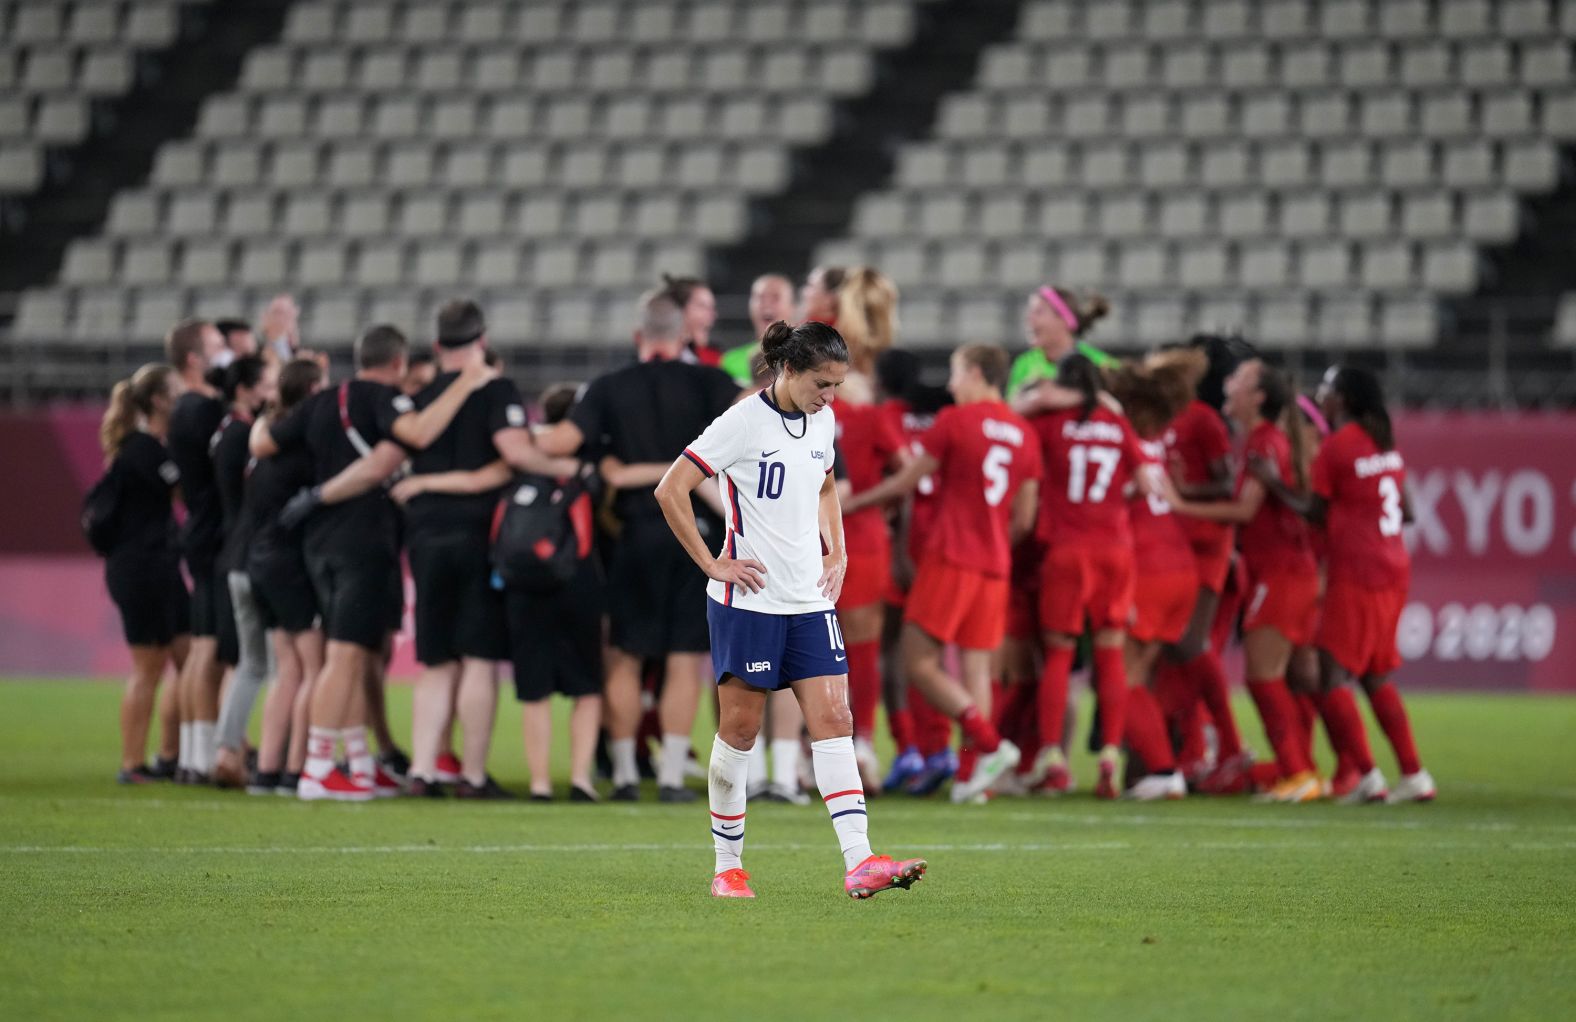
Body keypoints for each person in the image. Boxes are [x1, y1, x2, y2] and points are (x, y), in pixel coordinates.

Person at [654, 319, 925, 899]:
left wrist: (840, 550)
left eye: (837, 386)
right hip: (749, 601)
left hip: (808, 598)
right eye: (822, 384)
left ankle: (861, 861)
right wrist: (711, 563)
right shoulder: (742, 421)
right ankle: (728, 867)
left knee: (836, 721)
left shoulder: (823, 420)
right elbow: (670, 489)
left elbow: (827, 486)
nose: (830, 398)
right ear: (790, 370)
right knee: (740, 730)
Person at [251, 324, 494, 800]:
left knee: (361, 656)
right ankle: (319, 768)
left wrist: (262, 415)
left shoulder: (322, 402)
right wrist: (466, 381)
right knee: (344, 657)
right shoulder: (384, 398)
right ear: (399, 364)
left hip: (319, 542)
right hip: (360, 541)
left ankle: (359, 763)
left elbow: (263, 443)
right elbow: (419, 433)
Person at [535, 291, 739, 801]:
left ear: (637, 337)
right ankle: (671, 776)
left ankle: (625, 773)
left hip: (632, 535)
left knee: (624, 656)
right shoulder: (712, 383)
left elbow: (559, 443)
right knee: (683, 657)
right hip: (696, 534)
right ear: (684, 335)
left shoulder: (607, 387)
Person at [393, 299, 579, 799]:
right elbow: (515, 452)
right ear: (482, 339)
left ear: (436, 346)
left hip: (425, 532)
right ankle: (472, 775)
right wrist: (567, 469)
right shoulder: (496, 389)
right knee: (477, 659)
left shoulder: (422, 394)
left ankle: (424, 769)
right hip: (480, 535)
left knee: (435, 661)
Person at [843, 344, 1040, 804]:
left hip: (951, 556)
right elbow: (1025, 518)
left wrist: (851, 503)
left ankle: (988, 744)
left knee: (917, 661)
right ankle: (974, 776)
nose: (950, 386)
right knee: (975, 666)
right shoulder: (1022, 432)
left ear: (974, 372)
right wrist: (993, 544)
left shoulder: (955, 421)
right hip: (995, 564)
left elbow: (906, 481)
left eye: (955, 374)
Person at [1251, 366, 1435, 805]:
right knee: (1375, 673)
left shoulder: (1337, 449)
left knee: (1333, 674)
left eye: (1328, 391)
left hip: (1357, 572)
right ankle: (1413, 773)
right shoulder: (1384, 446)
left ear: (1345, 400)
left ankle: (1368, 776)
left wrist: (1273, 481)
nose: (1322, 396)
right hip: (1394, 569)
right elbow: (1407, 511)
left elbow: (1312, 511)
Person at [1165, 359, 1325, 803]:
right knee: (1290, 677)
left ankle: (1297, 773)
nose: (1228, 384)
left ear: (1257, 397)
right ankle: (1303, 768)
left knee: (1262, 677)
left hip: (1282, 575)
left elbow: (1243, 512)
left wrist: (1178, 503)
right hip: (1282, 573)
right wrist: (1188, 492)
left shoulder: (1264, 442)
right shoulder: (1262, 441)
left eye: (1238, 380)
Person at [1025, 354, 1174, 799]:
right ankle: (1109, 754)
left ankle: (1053, 756)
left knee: (1058, 655)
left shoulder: (1051, 423)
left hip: (1068, 550)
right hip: (1115, 550)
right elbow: (1149, 484)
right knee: (1110, 656)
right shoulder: (1117, 423)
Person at [96, 364, 189, 783]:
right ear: (158, 401)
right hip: (142, 567)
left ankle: (170, 753)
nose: (183, 395)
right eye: (176, 391)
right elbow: (185, 492)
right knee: (148, 667)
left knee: (191, 658)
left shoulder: (144, 448)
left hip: (155, 566)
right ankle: (132, 763)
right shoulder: (144, 450)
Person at [242, 357, 326, 795]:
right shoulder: (300, 445)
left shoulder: (267, 442)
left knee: (288, 669)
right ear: (312, 392)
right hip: (289, 563)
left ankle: (268, 769)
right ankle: (298, 767)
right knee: (316, 667)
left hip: (260, 559)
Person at [208, 356, 279, 787]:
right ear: (246, 389)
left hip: (236, 554)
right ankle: (279, 760)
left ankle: (226, 749)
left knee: (250, 664)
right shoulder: (245, 438)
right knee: (283, 667)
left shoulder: (227, 433)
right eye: (267, 381)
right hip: (260, 557)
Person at [164, 318, 228, 783]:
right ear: (194, 358)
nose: (224, 352)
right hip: (215, 533)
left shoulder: (182, 409)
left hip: (198, 531)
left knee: (201, 648)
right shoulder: (202, 410)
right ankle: (204, 755)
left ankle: (192, 754)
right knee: (209, 650)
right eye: (217, 345)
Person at [1007, 285, 1118, 399]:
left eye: (1039, 312)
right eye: (1030, 312)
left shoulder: (1102, 365)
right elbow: (1012, 412)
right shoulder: (1024, 364)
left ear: (1065, 320)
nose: (1029, 319)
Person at [720, 273, 796, 386]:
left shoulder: (806, 360)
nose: (766, 304)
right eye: (760, 297)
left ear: (792, 307)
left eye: (775, 297)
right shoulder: (730, 362)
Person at [659, 273, 721, 368]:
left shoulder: (713, 357)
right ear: (678, 309)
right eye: (703, 306)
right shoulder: (657, 357)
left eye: (712, 308)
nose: (713, 315)